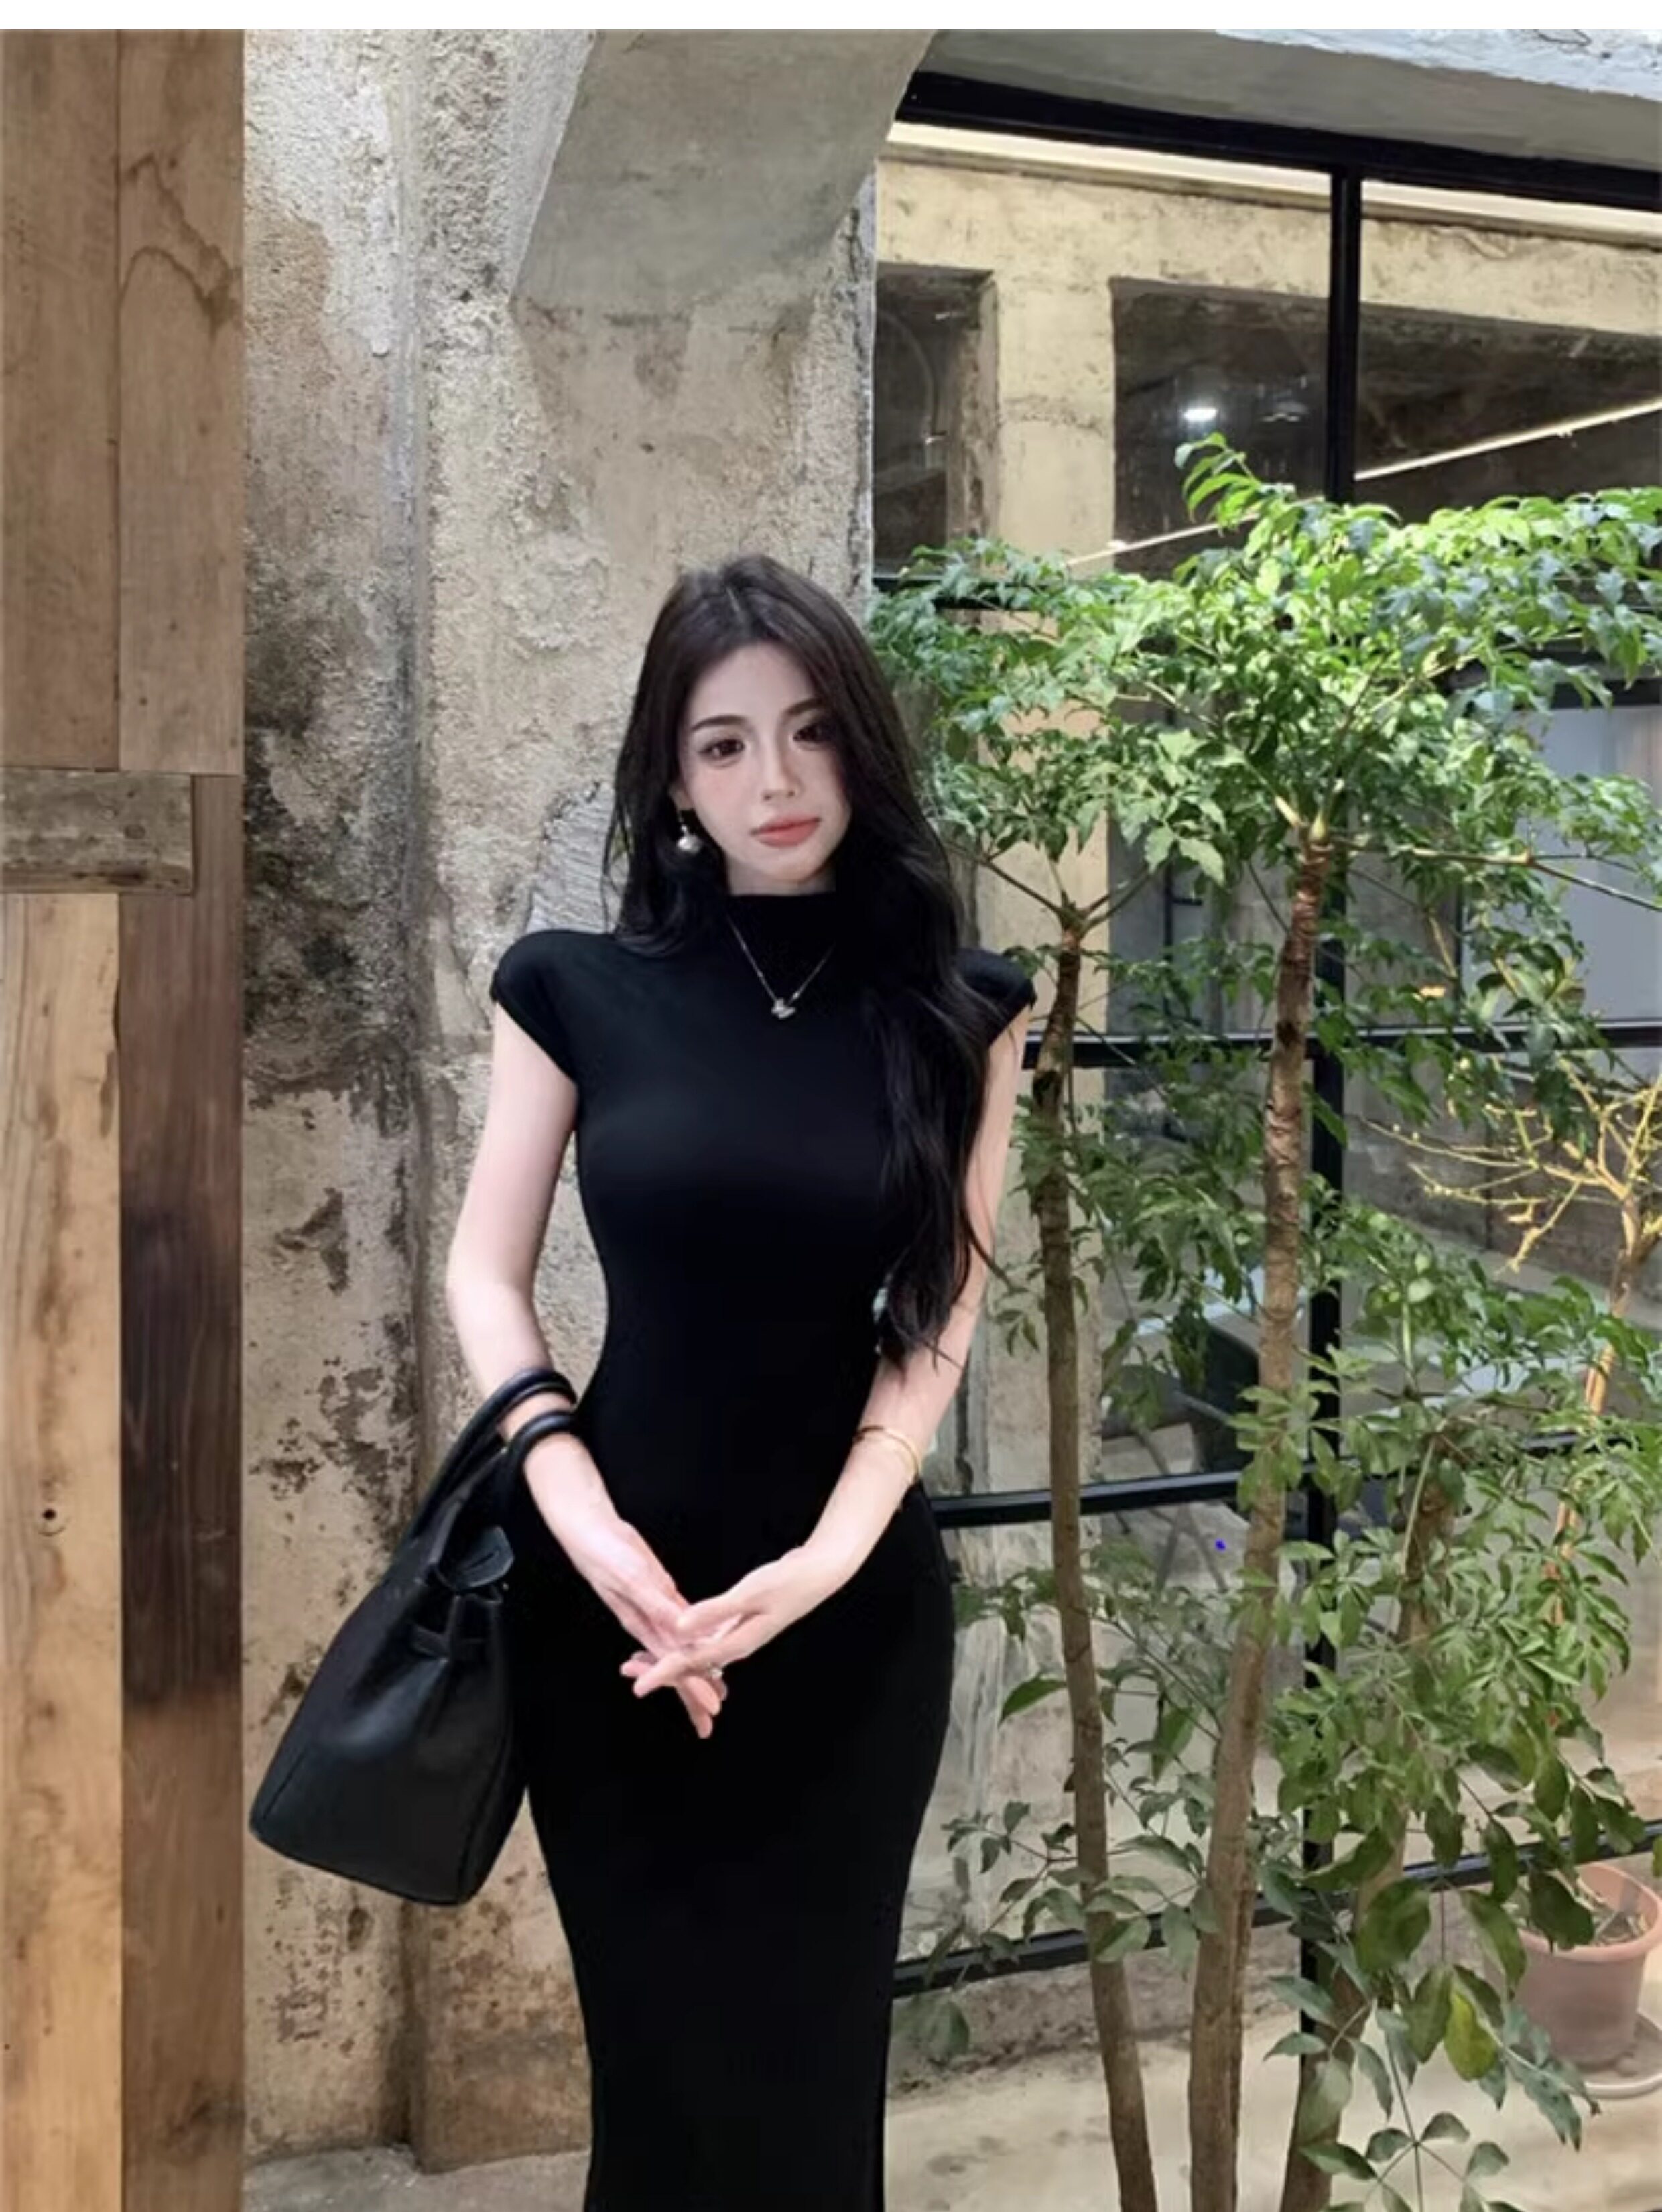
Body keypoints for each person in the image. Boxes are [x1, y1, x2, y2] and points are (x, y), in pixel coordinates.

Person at [445, 551, 1036, 2210]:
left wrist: (831, 1556)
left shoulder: (964, 1010)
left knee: (807, 2091)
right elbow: (484, 1273)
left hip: (843, 1619)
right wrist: (578, 1511)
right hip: (611, 1618)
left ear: (863, 743)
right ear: (672, 779)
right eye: (723, 743)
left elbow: (937, 1307)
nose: (775, 778)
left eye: (809, 729)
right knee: (659, 2090)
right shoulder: (571, 989)